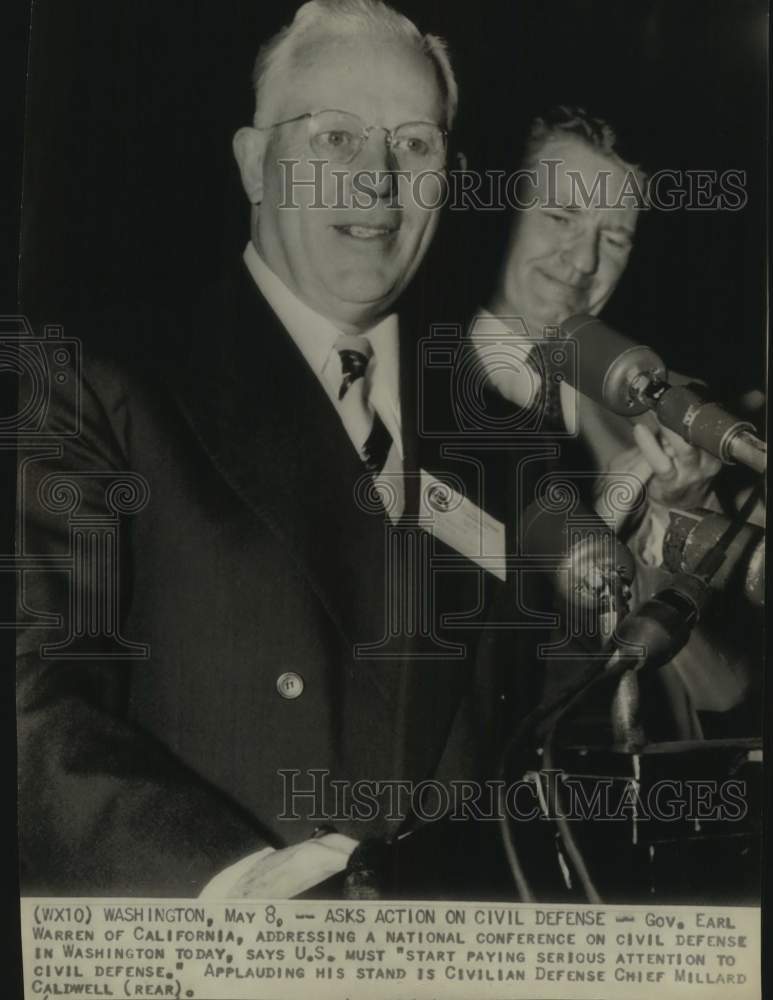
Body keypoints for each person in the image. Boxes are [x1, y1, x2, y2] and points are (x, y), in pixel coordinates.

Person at [16, 0, 508, 899]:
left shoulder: (494, 438)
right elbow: (28, 703)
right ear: (253, 162)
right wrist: (233, 886)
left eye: (414, 145)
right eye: (333, 139)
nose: (376, 183)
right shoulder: (94, 383)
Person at [470, 106, 759, 738]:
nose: (583, 260)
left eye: (616, 237)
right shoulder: (407, 388)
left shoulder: (656, 411)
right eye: (559, 216)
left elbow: (722, 689)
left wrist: (677, 516)